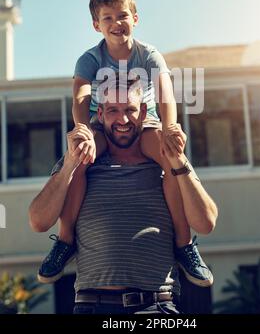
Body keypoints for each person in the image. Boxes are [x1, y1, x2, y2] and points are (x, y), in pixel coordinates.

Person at [37, 0, 213, 287]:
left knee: (169, 158)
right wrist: (83, 129)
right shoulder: (90, 58)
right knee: (81, 157)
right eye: (108, 18)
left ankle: (184, 244)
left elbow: (165, 93)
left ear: (135, 18)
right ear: (97, 25)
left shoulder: (149, 55)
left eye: (122, 15)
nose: (116, 22)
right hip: (102, 123)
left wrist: (170, 127)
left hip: (144, 122)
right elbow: (80, 95)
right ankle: (65, 241)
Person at [29, 79, 218, 314]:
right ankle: (64, 244)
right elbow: (38, 221)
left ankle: (185, 246)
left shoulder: (165, 163)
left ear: (142, 113)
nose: (123, 119)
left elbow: (206, 222)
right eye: (113, 111)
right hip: (92, 305)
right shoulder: (82, 165)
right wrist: (69, 163)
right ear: (99, 113)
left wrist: (179, 161)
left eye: (130, 110)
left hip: (156, 305)